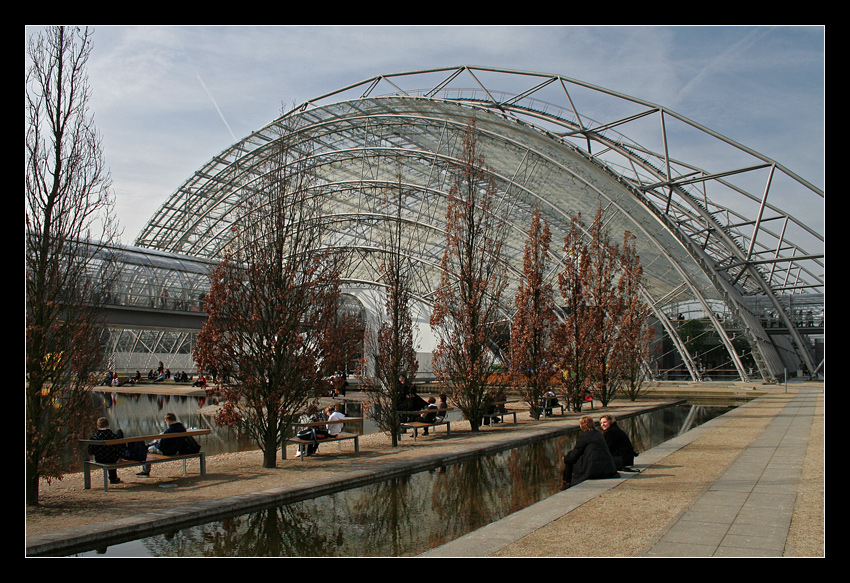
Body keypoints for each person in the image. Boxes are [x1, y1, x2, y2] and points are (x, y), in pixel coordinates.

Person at [561, 416, 618, 490]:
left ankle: (566, 482)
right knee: (570, 456)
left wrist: (565, 459)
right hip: (607, 467)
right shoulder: (599, 434)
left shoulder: (584, 436)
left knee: (569, 457)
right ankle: (566, 482)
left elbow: (574, 455)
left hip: (593, 468)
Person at [137, 412, 187, 477]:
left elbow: (161, 446)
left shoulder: (168, 431)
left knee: (147, 449)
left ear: (168, 421)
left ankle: (145, 471)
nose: (166, 423)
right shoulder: (182, 429)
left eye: (165, 421)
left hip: (167, 451)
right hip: (177, 450)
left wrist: (155, 444)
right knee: (153, 444)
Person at [88, 417, 125, 484]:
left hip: (99, 459)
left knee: (107, 453)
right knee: (112, 453)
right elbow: (120, 450)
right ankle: (113, 478)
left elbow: (90, 452)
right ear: (108, 425)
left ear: (97, 427)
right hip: (113, 459)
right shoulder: (114, 436)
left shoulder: (94, 438)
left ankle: (113, 478)